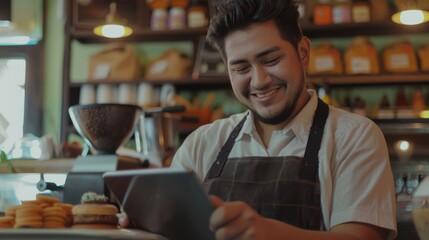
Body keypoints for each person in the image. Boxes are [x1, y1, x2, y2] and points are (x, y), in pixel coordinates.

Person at [170, 0, 397, 239]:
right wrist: (144, 223)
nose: (259, 81)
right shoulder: (202, 143)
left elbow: (360, 237)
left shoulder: (354, 136)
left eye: (271, 61)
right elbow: (171, 224)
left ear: (303, 53)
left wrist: (268, 232)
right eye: (241, 68)